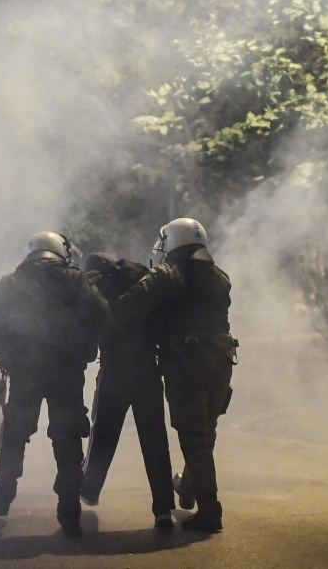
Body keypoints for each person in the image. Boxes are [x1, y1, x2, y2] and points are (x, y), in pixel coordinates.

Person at [110, 218, 237, 533]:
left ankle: (210, 512)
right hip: (222, 359)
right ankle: (189, 489)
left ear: (173, 243)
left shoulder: (169, 273)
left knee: (194, 438)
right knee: (205, 432)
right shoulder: (219, 276)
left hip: (187, 362)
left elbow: (129, 306)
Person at [0, 232, 108, 538]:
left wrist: (10, 359)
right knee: (67, 440)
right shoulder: (77, 280)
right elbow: (101, 313)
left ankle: (3, 494)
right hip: (66, 374)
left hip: (26, 373)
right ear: (60, 251)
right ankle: (69, 512)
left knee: (15, 434)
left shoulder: (10, 283)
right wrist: (85, 347)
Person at [79, 253, 175, 528]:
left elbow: (91, 326)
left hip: (114, 371)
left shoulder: (97, 288)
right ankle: (163, 508)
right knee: (155, 439)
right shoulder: (143, 280)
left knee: (104, 435)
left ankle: (90, 490)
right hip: (147, 369)